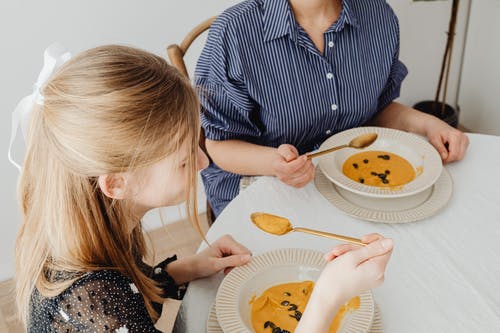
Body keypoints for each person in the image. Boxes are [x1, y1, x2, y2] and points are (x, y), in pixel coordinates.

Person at [12, 44, 393, 333]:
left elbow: (127, 287)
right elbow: (119, 303)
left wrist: (180, 271)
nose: (203, 162)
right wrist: (327, 298)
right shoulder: (95, 308)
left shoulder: (93, 224)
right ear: (116, 183)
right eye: (183, 159)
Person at [195, 0, 470, 217]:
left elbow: (376, 109)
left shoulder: (378, 16)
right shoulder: (233, 32)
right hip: (261, 180)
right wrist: (274, 163)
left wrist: (429, 124)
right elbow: (220, 145)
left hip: (347, 178)